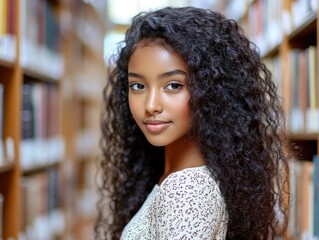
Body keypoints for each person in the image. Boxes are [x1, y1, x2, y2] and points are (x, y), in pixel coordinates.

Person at [96, 6, 290, 240]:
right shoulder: (178, 176)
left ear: (211, 91)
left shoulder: (187, 191)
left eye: (174, 85)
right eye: (138, 86)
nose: (151, 105)